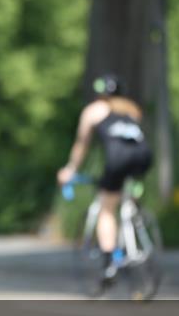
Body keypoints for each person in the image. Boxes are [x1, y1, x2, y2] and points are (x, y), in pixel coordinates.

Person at [57, 74, 153, 282]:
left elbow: (82, 144)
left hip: (117, 159)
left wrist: (71, 169)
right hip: (144, 156)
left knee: (106, 209)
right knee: (125, 194)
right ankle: (133, 210)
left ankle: (110, 261)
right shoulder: (131, 109)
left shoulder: (94, 110)